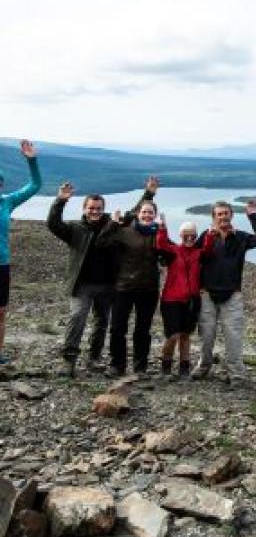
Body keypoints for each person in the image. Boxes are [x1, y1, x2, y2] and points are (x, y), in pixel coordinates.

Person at [47, 177, 158, 377]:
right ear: (84, 209)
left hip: (108, 285)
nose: (95, 211)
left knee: (101, 323)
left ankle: (94, 358)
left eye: (98, 208)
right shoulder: (75, 230)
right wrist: (60, 201)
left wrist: (149, 194)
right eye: (91, 208)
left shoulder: (112, 223)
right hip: (82, 285)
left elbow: (135, 212)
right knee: (77, 318)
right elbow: (53, 224)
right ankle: (69, 361)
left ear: (103, 208)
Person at [192, 199, 256, 384]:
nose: (223, 217)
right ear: (214, 217)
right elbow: (193, 257)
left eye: (226, 213)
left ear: (231, 215)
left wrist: (253, 217)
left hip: (232, 294)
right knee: (206, 335)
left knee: (233, 335)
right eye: (219, 214)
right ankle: (203, 366)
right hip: (207, 293)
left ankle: (236, 373)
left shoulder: (240, 237)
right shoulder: (205, 236)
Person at [96, 195, 162, 377]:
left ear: (155, 215)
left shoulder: (159, 233)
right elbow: (101, 242)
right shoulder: (124, 231)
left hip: (149, 289)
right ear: (137, 214)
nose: (147, 215)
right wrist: (113, 224)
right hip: (124, 287)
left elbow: (167, 254)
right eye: (144, 212)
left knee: (143, 330)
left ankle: (140, 368)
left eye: (151, 212)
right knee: (118, 328)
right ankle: (117, 365)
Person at [156, 214, 214, 380]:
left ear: (196, 237)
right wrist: (162, 228)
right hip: (171, 300)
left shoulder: (198, 253)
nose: (189, 238)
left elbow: (208, 250)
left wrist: (209, 234)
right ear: (180, 236)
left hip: (192, 300)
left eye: (192, 235)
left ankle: (184, 368)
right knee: (172, 335)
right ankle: (166, 366)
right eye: (185, 235)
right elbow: (161, 244)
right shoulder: (173, 251)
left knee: (186, 335)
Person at [0, 141, 42, 364]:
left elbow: (35, 185)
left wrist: (31, 160)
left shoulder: (7, 202)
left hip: (2, 265)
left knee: (1, 312)